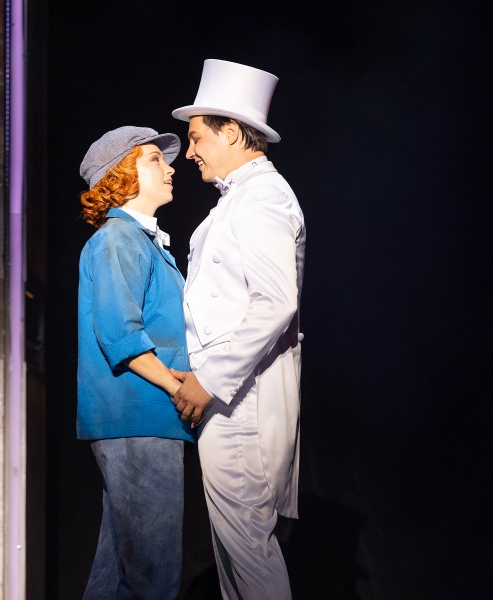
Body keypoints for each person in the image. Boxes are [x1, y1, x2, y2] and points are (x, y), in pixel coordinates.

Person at [169, 59, 306, 599]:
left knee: (248, 554)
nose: (191, 152)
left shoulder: (263, 196)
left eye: (197, 137)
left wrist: (210, 380)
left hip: (241, 404)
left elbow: (276, 303)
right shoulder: (239, 200)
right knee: (236, 561)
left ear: (230, 132)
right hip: (230, 400)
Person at [76, 125, 196, 599]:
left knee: (118, 577)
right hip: (138, 416)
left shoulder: (140, 242)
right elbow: (120, 334)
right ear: (120, 174)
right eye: (153, 160)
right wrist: (178, 388)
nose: (170, 169)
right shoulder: (118, 240)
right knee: (152, 574)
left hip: (145, 418)